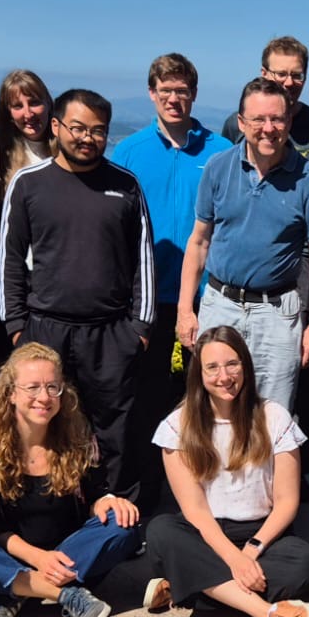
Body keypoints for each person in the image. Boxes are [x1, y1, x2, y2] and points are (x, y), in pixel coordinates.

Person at [0, 88, 155, 504]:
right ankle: (46, 509)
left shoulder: (126, 186)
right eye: (78, 128)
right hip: (44, 331)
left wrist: (138, 328)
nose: (87, 138)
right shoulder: (29, 185)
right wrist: (17, 328)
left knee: (115, 429)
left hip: (110, 333)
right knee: (41, 424)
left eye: (98, 131)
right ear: (56, 127)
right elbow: (10, 258)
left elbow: (144, 259)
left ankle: (121, 514)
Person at [0, 343, 142, 617]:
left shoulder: (78, 437)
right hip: (9, 557)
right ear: (11, 393)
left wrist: (107, 502)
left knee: (124, 524)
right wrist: (38, 559)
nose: (43, 397)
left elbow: (96, 494)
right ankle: (65, 594)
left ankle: (14, 593)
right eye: (32, 387)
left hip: (71, 556)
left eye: (52, 387)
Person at [143, 327, 309, 617]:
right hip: (205, 534)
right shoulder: (177, 425)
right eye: (212, 367)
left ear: (246, 366)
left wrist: (250, 552)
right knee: (161, 532)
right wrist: (233, 559)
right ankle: (267, 613)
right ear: (198, 373)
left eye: (232, 364)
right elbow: (195, 510)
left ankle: (188, 586)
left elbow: (287, 502)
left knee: (304, 566)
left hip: (263, 535)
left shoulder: (274, 416)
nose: (224, 376)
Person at [110, 53, 232, 507]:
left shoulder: (220, 151)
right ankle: (149, 491)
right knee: (147, 396)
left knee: (209, 397)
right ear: (152, 94)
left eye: (182, 91)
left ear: (194, 94)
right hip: (148, 295)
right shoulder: (129, 151)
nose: (174, 99)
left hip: (208, 296)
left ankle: (210, 489)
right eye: (166, 91)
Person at [177, 78, 309, 416]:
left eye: (277, 119)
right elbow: (199, 241)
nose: (268, 128)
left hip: (277, 312)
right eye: (258, 120)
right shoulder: (218, 167)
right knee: (213, 411)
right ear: (242, 123)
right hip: (219, 305)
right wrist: (186, 310)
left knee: (271, 416)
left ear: (289, 122)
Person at [222, 36, 309, 179]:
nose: (289, 82)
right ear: (264, 73)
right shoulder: (238, 124)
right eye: (281, 74)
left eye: (297, 75)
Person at [0, 69, 54, 271]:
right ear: (8, 114)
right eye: (18, 106)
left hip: (59, 272)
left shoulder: (67, 155)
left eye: (34, 102)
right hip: (15, 273)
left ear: (48, 104)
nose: (28, 113)